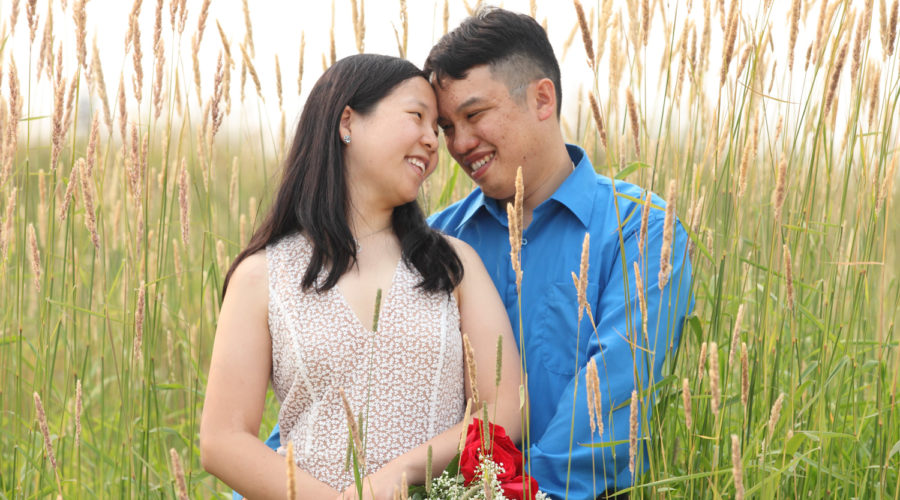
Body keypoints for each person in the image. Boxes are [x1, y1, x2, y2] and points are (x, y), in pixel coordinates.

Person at [199, 54, 522, 499]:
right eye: (417, 116)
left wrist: (404, 471)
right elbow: (222, 441)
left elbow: (504, 409)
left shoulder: (453, 265)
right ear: (347, 120)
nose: (433, 140)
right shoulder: (263, 276)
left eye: (437, 128)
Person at [424, 7, 693, 500]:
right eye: (446, 127)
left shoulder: (642, 228)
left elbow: (611, 403)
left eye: (474, 115)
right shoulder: (432, 241)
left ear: (542, 98)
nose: (460, 144)